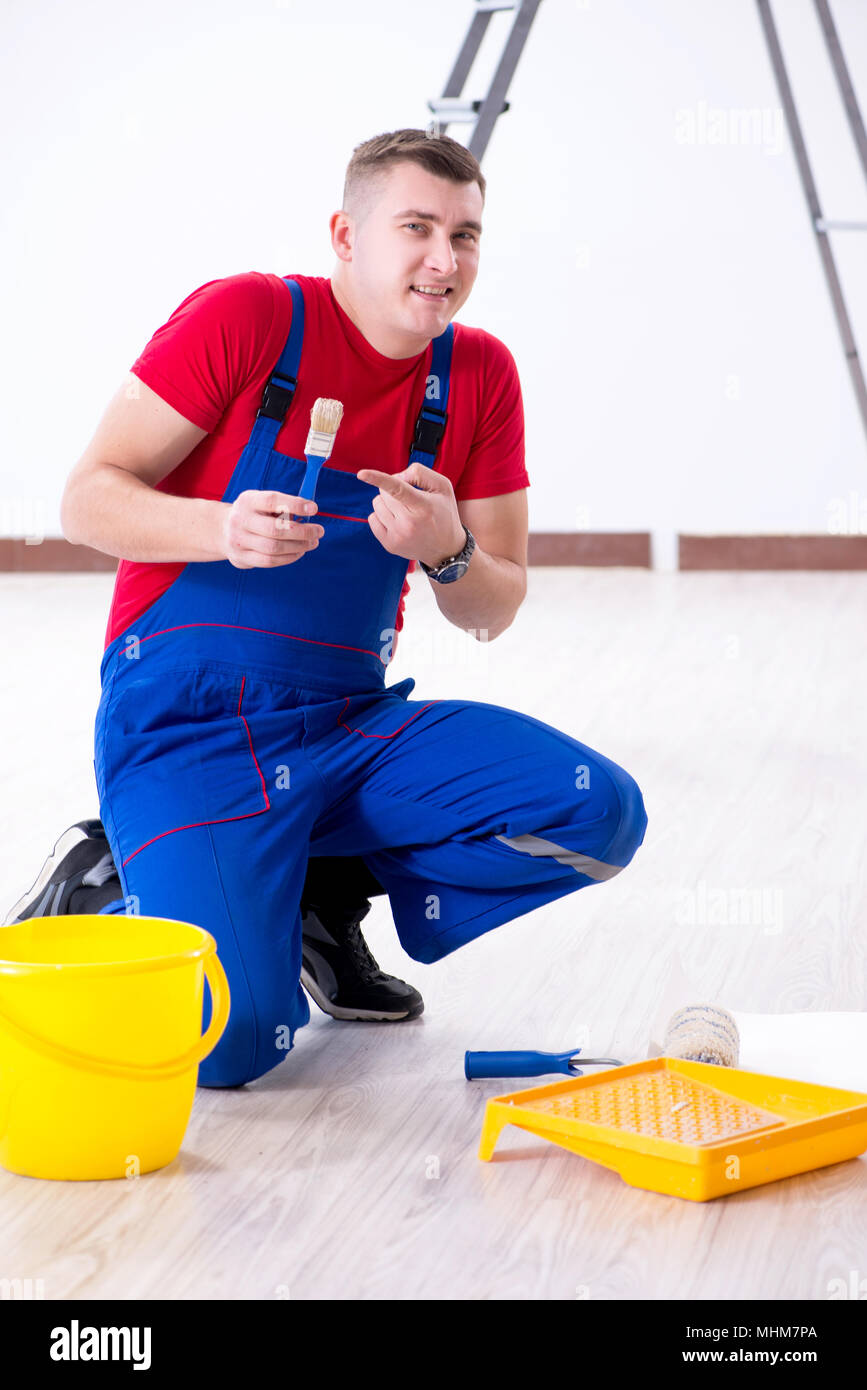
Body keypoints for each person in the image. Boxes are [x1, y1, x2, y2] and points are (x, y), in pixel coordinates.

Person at [4, 129, 648, 1088]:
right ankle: (104, 887)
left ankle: (314, 891)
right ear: (346, 235)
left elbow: (493, 605)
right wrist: (221, 528)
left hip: (348, 726)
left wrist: (447, 551)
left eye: (465, 235)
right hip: (190, 727)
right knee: (233, 1046)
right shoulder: (250, 318)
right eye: (417, 228)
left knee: (595, 812)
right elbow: (86, 499)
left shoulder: (478, 377)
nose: (445, 260)